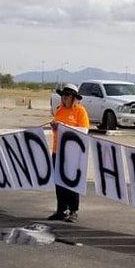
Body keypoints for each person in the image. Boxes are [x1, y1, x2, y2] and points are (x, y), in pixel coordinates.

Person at [47, 83, 90, 223]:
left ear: (73, 98)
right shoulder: (59, 110)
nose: (64, 98)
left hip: (72, 153)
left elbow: (83, 132)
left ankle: (73, 210)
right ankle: (61, 210)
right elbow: (57, 130)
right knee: (59, 182)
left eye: (67, 96)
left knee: (71, 182)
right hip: (57, 151)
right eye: (63, 96)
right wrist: (54, 127)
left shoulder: (80, 111)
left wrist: (64, 127)